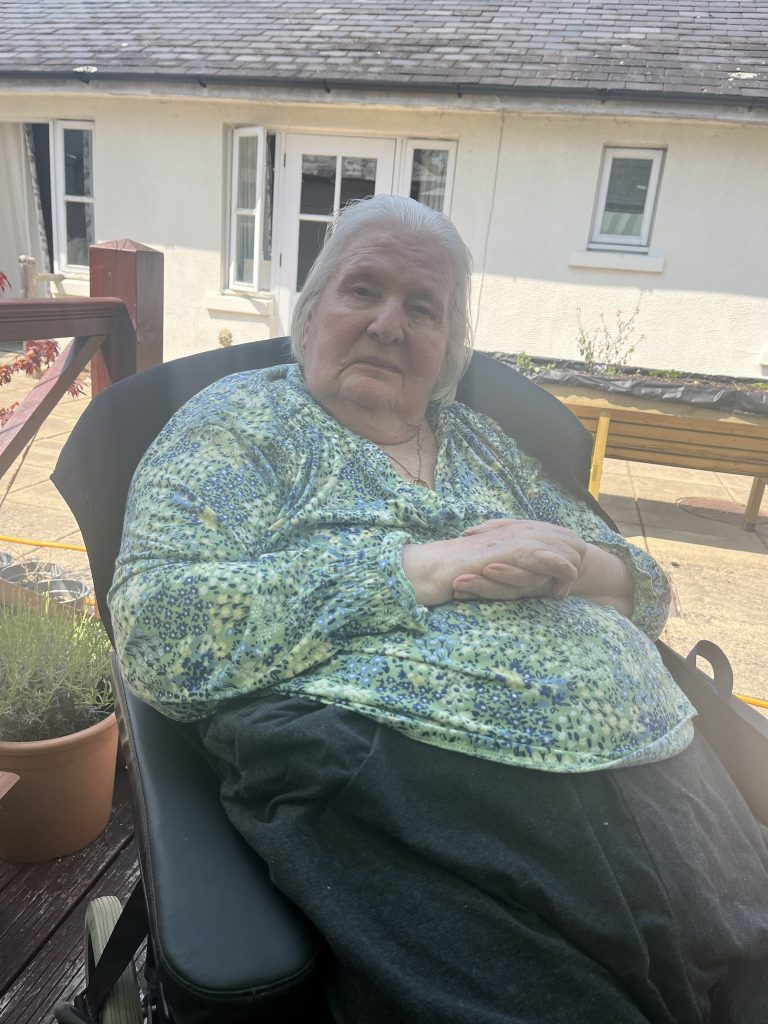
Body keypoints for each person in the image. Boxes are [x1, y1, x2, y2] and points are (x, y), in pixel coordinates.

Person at [109, 196, 768, 1023]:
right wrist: (423, 569)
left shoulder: (485, 442)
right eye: (363, 292)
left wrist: (582, 562)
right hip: (420, 791)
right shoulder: (240, 424)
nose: (389, 324)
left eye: (422, 308)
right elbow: (160, 628)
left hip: (665, 786)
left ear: (448, 352)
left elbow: (649, 593)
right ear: (309, 315)